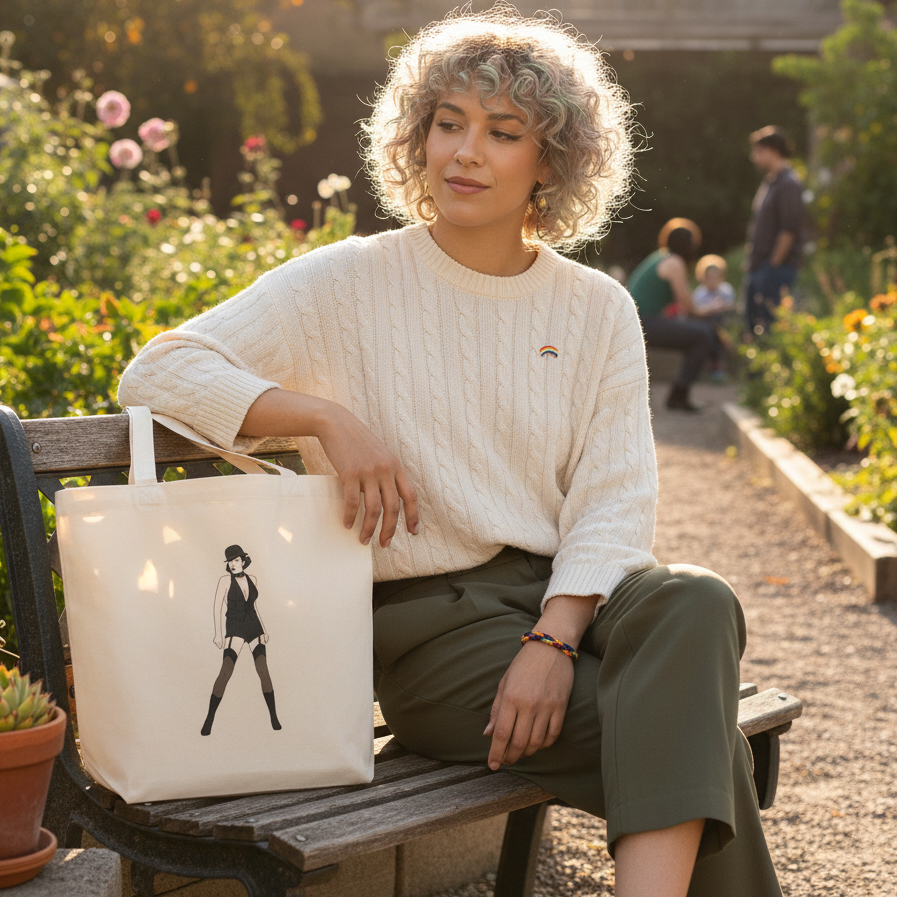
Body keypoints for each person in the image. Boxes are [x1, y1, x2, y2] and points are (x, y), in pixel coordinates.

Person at [118, 6, 782, 895]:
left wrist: (552, 637)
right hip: (435, 636)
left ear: (550, 160)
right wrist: (322, 417)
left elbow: (614, 499)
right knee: (694, 736)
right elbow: (156, 371)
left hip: (576, 605)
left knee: (696, 596)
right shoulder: (345, 282)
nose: (465, 152)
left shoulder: (593, 307)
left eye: (502, 132)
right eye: (447, 124)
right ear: (417, 135)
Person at [628, 219, 714, 412]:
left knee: (698, 333)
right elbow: (687, 306)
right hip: (644, 323)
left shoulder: (659, 256)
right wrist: (709, 310)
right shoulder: (675, 262)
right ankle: (678, 396)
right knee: (703, 335)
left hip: (637, 321)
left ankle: (678, 394)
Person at [200, 545, 281, 735]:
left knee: (263, 670)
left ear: (243, 561)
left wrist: (265, 629)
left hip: (254, 627)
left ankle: (274, 716)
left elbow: (254, 606)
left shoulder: (253, 579)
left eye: (236, 560)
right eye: (230, 561)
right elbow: (217, 607)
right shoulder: (224, 581)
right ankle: (209, 718)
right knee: (226, 670)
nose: (233, 564)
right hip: (235, 626)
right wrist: (218, 634)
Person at [745, 126, 805, 336]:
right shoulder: (771, 182)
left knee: (770, 327)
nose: (754, 158)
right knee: (753, 328)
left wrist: (772, 265)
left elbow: (789, 229)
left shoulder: (788, 183)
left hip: (774, 269)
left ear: (771, 150)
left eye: (758, 151)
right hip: (759, 267)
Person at [691, 254, 736, 381]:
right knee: (711, 330)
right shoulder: (699, 293)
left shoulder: (726, 290)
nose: (712, 280)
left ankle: (717, 364)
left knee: (715, 328)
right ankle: (718, 364)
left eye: (715, 277)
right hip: (708, 325)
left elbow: (732, 307)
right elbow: (696, 311)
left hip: (724, 323)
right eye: (709, 277)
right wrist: (710, 308)